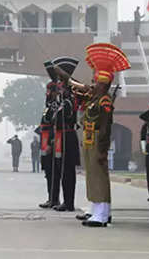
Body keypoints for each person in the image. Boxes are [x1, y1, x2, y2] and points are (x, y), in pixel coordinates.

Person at [54, 43, 130, 227]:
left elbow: (104, 127)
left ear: (104, 85)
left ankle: (102, 213)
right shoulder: (94, 97)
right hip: (89, 140)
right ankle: (96, 209)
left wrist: (103, 148)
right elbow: (76, 86)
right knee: (92, 177)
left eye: (96, 82)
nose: (93, 84)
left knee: (99, 177)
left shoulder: (104, 101)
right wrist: (64, 76)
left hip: (98, 141)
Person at [49, 57, 81, 212]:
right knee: (62, 170)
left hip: (68, 136)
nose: (59, 88)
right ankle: (66, 201)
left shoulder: (70, 98)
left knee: (67, 171)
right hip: (62, 136)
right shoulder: (63, 99)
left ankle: (69, 202)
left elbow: (65, 116)